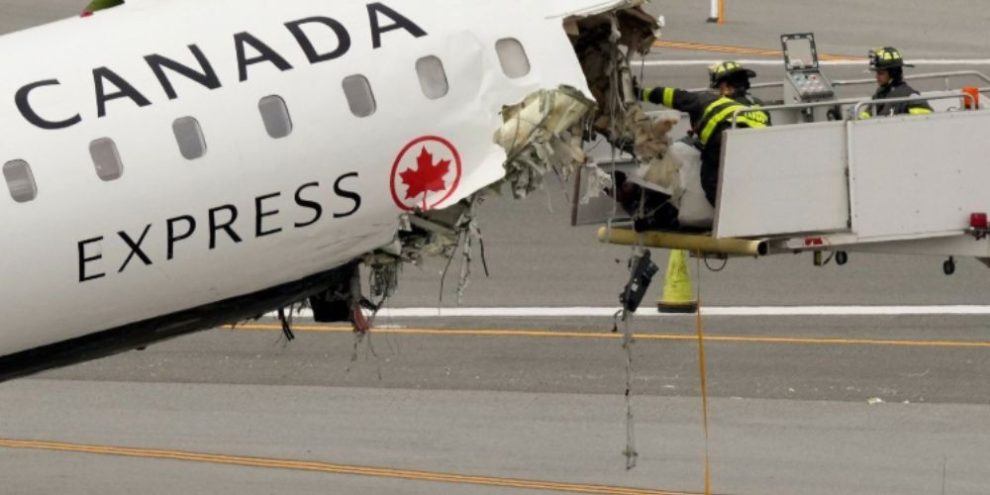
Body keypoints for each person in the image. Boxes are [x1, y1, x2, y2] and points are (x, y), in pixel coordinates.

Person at [638, 61, 770, 206]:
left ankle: (726, 217)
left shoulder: (711, 101)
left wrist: (642, 93)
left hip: (722, 151)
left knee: (710, 182)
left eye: (719, 87)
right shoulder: (758, 105)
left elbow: (674, 96)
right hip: (759, 156)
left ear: (725, 87)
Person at [861, 47, 933, 119]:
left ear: (893, 74)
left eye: (880, 73)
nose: (876, 77)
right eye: (877, 73)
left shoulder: (911, 98)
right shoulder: (880, 94)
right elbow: (866, 116)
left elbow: (925, 123)